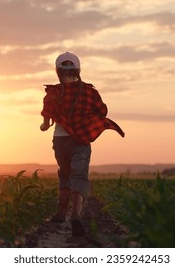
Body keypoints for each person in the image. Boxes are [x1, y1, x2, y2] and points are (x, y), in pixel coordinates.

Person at [40, 52, 125, 237]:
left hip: (60, 140)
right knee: (79, 175)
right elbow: (102, 111)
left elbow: (45, 124)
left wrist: (44, 125)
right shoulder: (89, 92)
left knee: (64, 173)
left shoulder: (52, 94)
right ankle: (76, 214)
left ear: (58, 71)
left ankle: (61, 213)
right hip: (81, 140)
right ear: (78, 69)